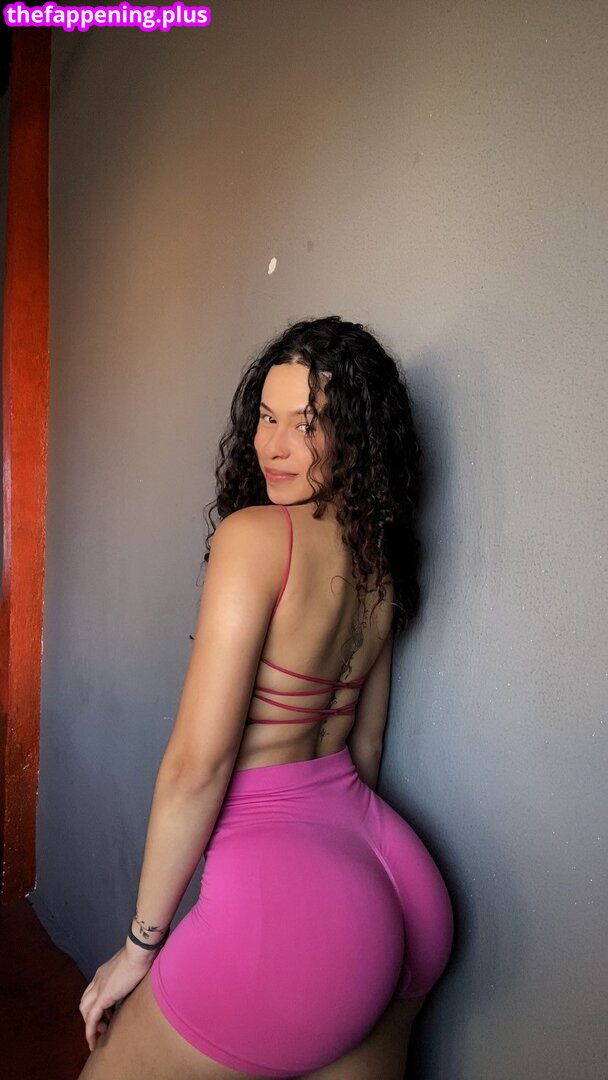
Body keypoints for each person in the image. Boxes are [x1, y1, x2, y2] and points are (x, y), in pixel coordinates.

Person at [78, 315, 454, 1079]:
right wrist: (338, 890)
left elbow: (197, 766)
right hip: (400, 882)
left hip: (293, 909)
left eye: (305, 425)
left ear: (356, 438)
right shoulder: (380, 557)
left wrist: (139, 948)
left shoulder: (255, 538)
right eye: (266, 417)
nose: (272, 446)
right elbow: (365, 746)